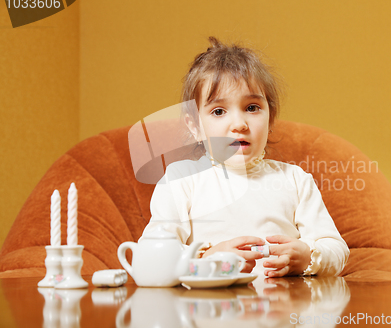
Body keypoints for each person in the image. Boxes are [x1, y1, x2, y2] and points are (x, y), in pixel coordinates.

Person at [142, 37, 349, 277]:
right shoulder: (181, 180)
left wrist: (307, 257)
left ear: (270, 118)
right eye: (218, 111)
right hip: (208, 311)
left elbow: (336, 248)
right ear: (195, 126)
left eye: (252, 108)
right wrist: (207, 258)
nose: (239, 124)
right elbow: (152, 256)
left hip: (283, 309)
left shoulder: (295, 180)